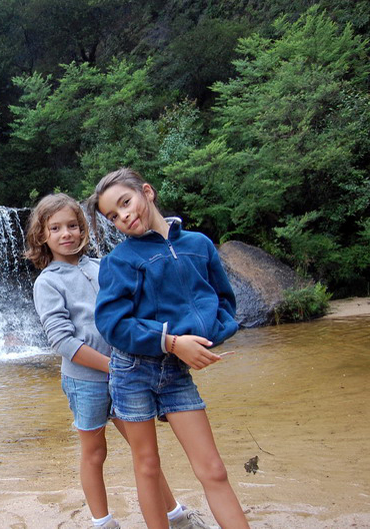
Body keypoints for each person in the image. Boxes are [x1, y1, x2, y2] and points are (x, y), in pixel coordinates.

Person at [25, 193, 215, 529]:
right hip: (86, 381)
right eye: (55, 228)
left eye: (72, 225)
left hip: (128, 375)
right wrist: (111, 366)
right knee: (94, 453)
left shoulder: (104, 266)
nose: (65, 233)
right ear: (42, 236)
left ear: (83, 230)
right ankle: (104, 523)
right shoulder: (48, 282)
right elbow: (63, 341)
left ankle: (175, 515)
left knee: (145, 456)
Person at [87, 168, 250, 528]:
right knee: (147, 467)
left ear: (147, 191)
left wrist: (207, 339)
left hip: (175, 372)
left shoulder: (199, 245)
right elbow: (112, 323)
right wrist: (172, 342)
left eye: (126, 203)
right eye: (112, 216)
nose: (124, 216)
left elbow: (223, 300)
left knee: (214, 469)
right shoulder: (120, 261)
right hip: (132, 372)